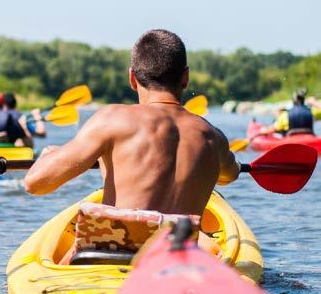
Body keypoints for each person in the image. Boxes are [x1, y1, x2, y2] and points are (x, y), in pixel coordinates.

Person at [25, 29, 240, 217]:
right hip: (175, 256)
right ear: (185, 77)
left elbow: (35, 184)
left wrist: (48, 157)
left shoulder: (112, 120)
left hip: (115, 254)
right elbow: (229, 175)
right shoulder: (213, 137)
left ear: (132, 78)